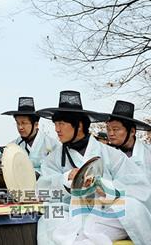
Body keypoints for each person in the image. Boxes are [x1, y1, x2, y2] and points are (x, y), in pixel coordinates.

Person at [36, 90, 151, 245]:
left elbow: (138, 186)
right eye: (55, 124)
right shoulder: (54, 158)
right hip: (69, 213)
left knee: (133, 208)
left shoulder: (110, 154)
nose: (57, 129)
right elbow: (41, 190)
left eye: (61, 124)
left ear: (79, 125)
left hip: (104, 212)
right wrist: (65, 178)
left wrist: (106, 188)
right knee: (49, 216)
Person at [1, 96, 58, 177]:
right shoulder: (12, 146)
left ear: (36, 124)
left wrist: (36, 174)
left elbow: (56, 171)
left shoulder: (52, 144)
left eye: (24, 123)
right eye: (18, 123)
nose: (20, 127)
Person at [102, 100, 151, 175]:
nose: (110, 133)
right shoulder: (104, 154)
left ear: (132, 131)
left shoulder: (148, 153)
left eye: (115, 129)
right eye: (108, 129)